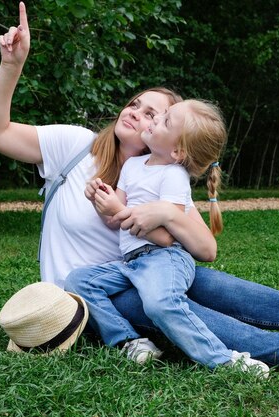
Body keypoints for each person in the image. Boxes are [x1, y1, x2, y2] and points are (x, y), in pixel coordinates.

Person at [0, 2, 279, 386]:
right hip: (94, 296)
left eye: (154, 113)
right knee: (167, 304)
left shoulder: (164, 175)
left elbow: (204, 247)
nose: (137, 113)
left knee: (221, 288)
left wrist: (154, 216)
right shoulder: (73, 146)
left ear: (170, 140)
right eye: (135, 103)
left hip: (149, 267)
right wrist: (12, 65)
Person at [78, 99, 268, 375]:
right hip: (131, 262)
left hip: (164, 258)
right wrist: (102, 199)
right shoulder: (133, 166)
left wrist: (119, 210)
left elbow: (167, 238)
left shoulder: (173, 176)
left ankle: (223, 359)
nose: (155, 119)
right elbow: (115, 217)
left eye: (165, 120)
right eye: (164, 115)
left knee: (160, 303)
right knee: (80, 282)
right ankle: (129, 341)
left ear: (178, 151)